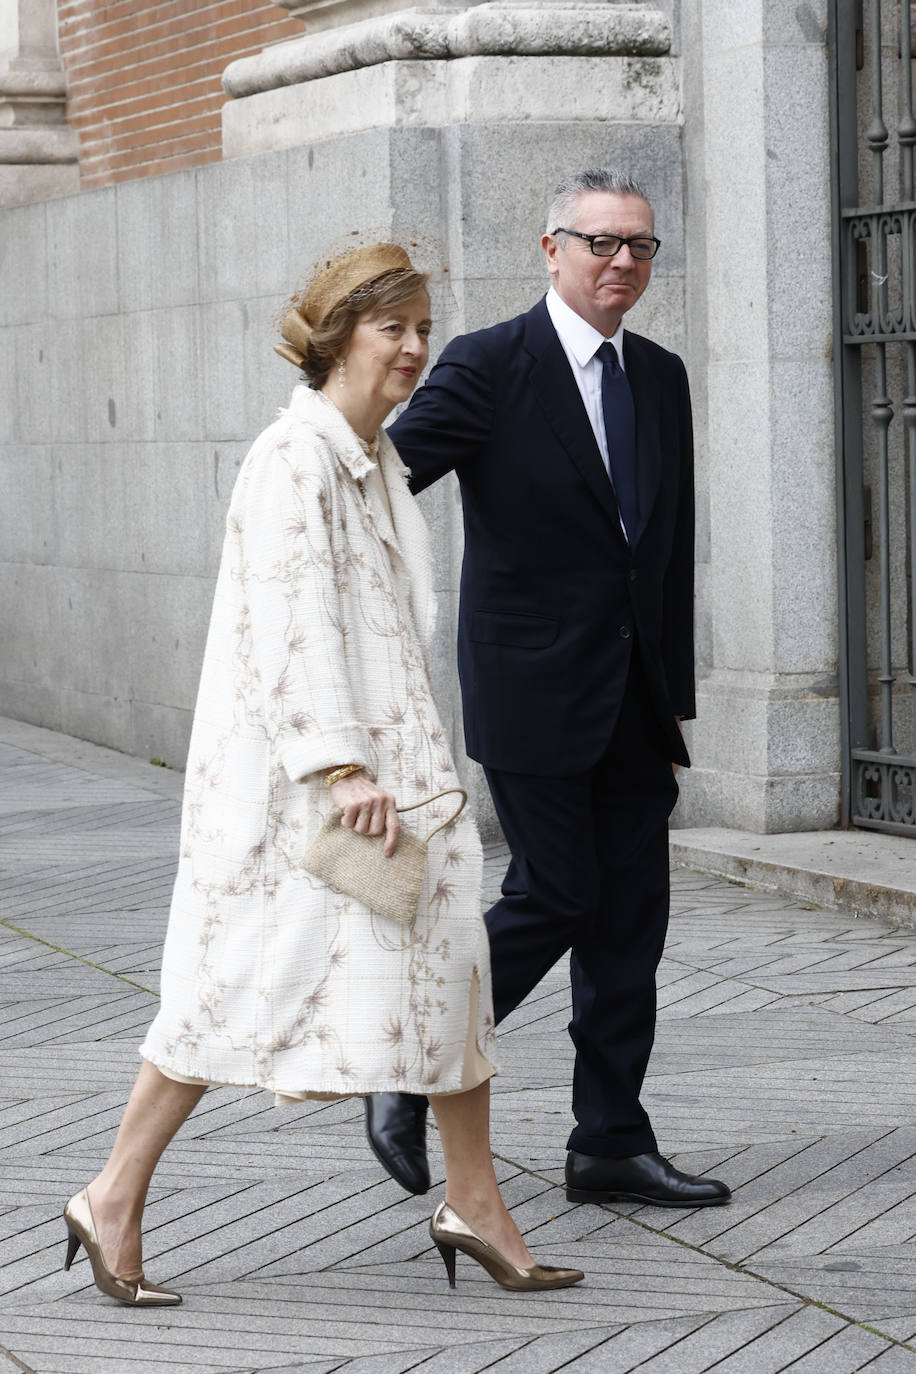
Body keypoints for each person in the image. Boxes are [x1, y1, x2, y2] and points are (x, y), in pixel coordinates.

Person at [62, 241, 584, 1306]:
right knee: (229, 989)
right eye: (393, 327)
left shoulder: (369, 456)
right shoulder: (293, 457)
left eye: (422, 328)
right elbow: (290, 622)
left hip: (395, 784)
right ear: (337, 336)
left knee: (453, 977)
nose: (416, 349)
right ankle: (111, 1194)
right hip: (312, 798)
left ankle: (474, 1201)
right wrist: (339, 764)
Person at [365, 170, 732, 1210]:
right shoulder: (490, 364)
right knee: (553, 895)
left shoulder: (658, 375)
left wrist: (672, 707)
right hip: (530, 690)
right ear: (550, 249)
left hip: (632, 698)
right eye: (601, 244)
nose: (622, 264)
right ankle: (410, 1063)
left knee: (628, 929)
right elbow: (383, 481)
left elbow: (663, 554)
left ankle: (610, 1141)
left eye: (641, 249)